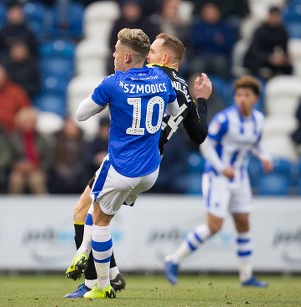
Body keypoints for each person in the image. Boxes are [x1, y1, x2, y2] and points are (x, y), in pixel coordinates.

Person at [64, 31, 212, 299]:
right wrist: (200, 100)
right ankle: (108, 271)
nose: (149, 57)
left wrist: (108, 93)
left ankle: (93, 277)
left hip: (125, 157)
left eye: (152, 53)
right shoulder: (176, 86)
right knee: (94, 213)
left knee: (90, 214)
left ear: (164, 58)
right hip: (152, 163)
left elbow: (86, 111)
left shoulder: (151, 75)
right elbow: (198, 134)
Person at [164, 75, 273, 288]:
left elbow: (256, 144)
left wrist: (265, 157)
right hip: (218, 177)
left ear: (256, 99)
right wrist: (222, 168)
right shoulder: (225, 120)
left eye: (247, 95)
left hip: (240, 178)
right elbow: (205, 146)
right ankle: (174, 259)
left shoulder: (259, 120)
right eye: (239, 94)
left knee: (243, 224)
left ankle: (246, 276)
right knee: (214, 226)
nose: (242, 99)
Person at [243, 6, 292, 80]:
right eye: (273, 16)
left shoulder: (282, 31)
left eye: (277, 16)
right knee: (255, 65)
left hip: (272, 60)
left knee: (288, 67)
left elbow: (284, 49)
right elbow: (255, 51)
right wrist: (269, 58)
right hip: (258, 59)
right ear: (269, 16)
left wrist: (283, 59)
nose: (275, 19)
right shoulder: (260, 31)